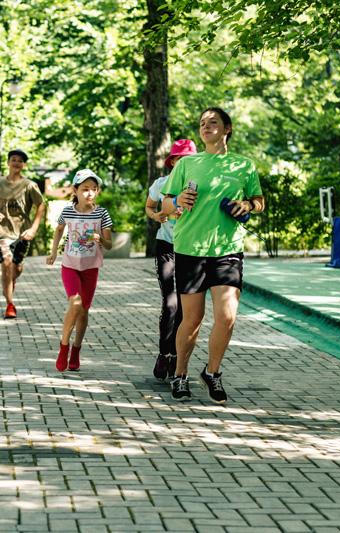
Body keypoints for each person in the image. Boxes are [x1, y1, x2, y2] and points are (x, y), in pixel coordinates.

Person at [160, 106, 265, 404]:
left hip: (228, 249)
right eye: (202, 123)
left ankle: (212, 372)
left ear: (227, 128)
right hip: (190, 248)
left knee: (227, 316)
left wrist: (248, 205)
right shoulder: (187, 165)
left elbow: (259, 201)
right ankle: (180, 375)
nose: (205, 127)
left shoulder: (243, 165)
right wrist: (177, 199)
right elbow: (165, 206)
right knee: (192, 319)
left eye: (213, 122)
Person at [47, 169, 112, 372]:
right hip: (70, 266)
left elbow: (109, 245)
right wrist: (54, 252)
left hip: (91, 268)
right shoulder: (67, 211)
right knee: (75, 305)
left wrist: (99, 239)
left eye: (94, 189)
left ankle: (76, 350)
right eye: (85, 189)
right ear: (75, 190)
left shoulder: (102, 214)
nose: (90, 193)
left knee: (83, 312)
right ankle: (64, 347)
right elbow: (59, 229)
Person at [146, 139, 198, 381]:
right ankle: (163, 353)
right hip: (166, 247)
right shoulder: (161, 184)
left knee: (185, 310)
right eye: (179, 159)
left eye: (188, 159)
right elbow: (149, 207)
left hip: (192, 250)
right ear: (172, 162)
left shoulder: (201, 185)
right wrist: (156, 214)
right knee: (170, 304)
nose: (183, 163)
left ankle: (177, 356)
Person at [0, 149, 45, 319]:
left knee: (16, 268)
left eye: (20, 161)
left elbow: (41, 205)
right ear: (8, 162)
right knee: (6, 265)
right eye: (13, 159)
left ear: (23, 165)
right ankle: (10, 305)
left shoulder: (29, 185)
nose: (16, 162)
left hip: (23, 233)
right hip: (3, 231)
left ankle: (10, 282)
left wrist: (33, 229)